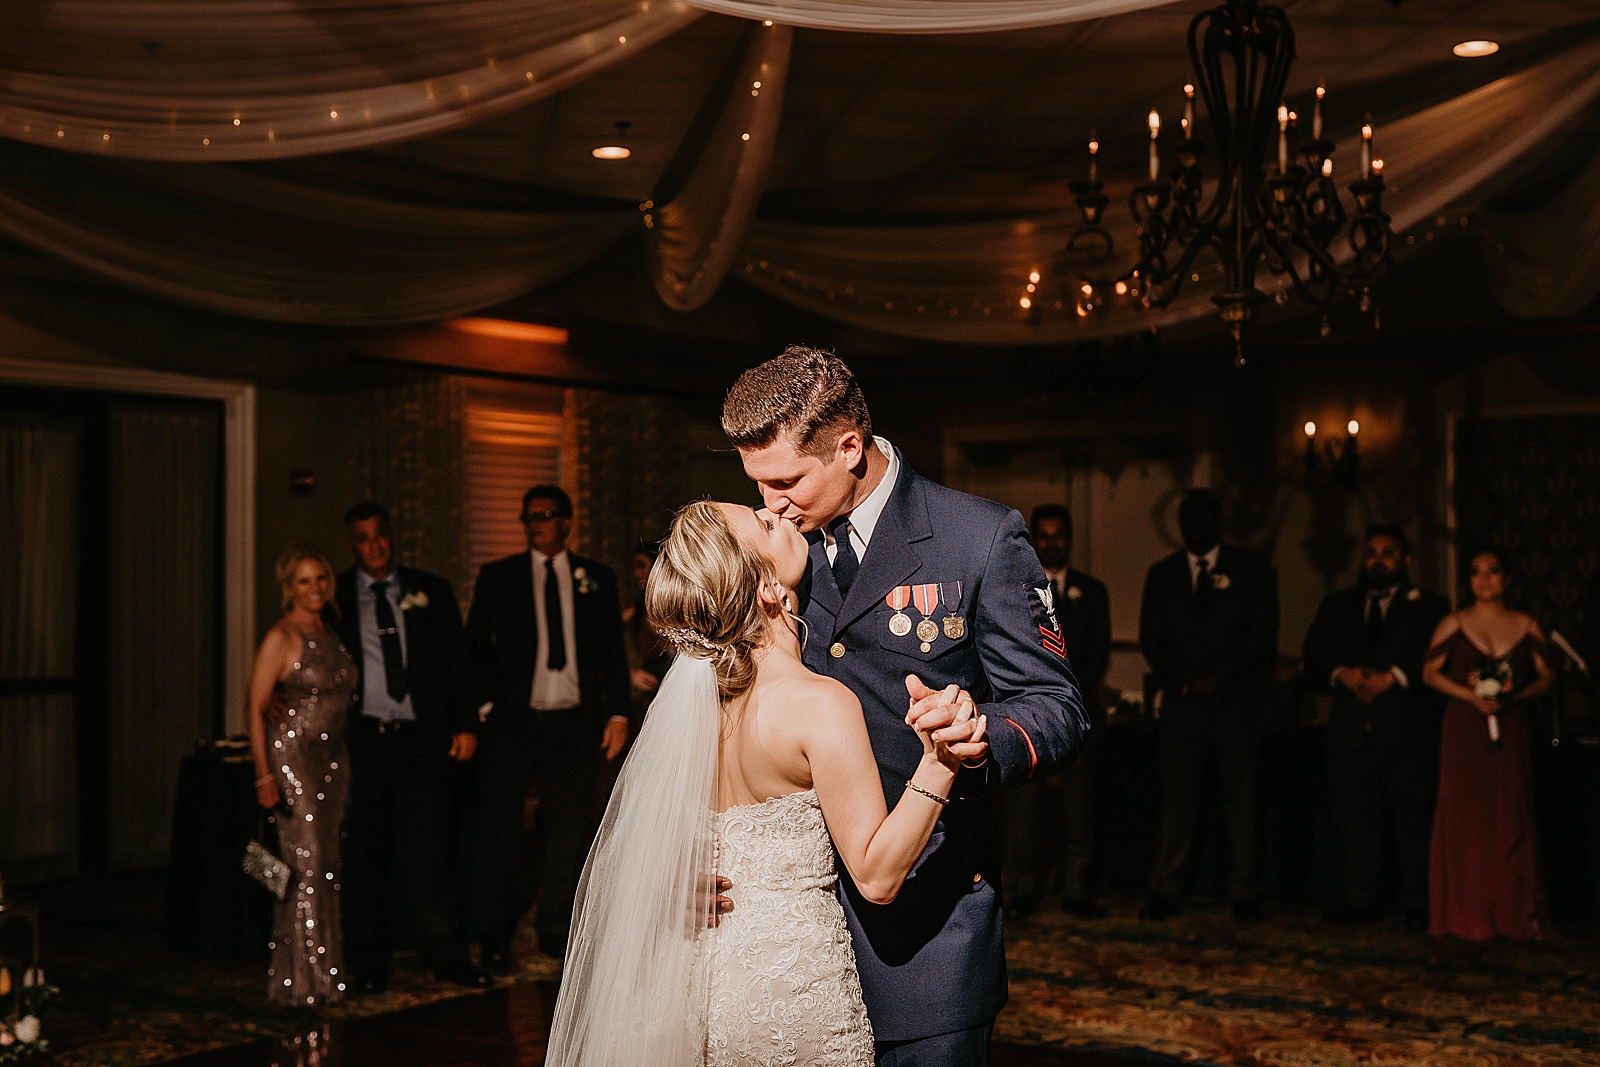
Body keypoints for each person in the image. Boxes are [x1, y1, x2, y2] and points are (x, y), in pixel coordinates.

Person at [721, 347, 1088, 1066]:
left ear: (850, 445)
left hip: (926, 937)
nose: (771, 504)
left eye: (787, 481)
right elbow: (716, 710)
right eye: (758, 485)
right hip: (789, 937)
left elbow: (1058, 708)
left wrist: (983, 732)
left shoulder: (979, 536)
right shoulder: (765, 544)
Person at [545, 499, 983, 1067]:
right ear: (767, 591)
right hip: (793, 990)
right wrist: (941, 760)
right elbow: (876, 876)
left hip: (700, 985)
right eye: (767, 523)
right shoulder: (818, 703)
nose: (779, 510)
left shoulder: (698, 712)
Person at [467, 485, 632, 967]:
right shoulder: (499, 577)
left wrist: (618, 712)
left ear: (566, 520)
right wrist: (483, 708)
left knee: (567, 832)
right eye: (530, 517)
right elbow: (474, 646)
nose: (537, 523)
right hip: (515, 725)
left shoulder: (595, 578)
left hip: (575, 726)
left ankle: (555, 928)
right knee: (502, 832)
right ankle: (494, 933)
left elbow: (610, 653)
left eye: (546, 515)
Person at [330, 502, 486, 991]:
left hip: (423, 740)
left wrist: (466, 725)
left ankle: (446, 955)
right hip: (365, 743)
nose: (373, 546)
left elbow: (458, 663)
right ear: (351, 544)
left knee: (432, 853)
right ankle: (369, 961)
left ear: (392, 537)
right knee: (366, 855)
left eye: (380, 536)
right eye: (362, 538)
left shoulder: (430, 590)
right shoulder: (333, 597)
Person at [1137, 489, 1278, 923]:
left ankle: (1244, 891)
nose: (1195, 524)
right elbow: (1151, 638)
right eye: (1188, 517)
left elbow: (1262, 636)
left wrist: (1221, 680)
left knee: (1241, 802)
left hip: (1235, 703)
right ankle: (1167, 888)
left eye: (1204, 516)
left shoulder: (1252, 569)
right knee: (1177, 801)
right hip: (1182, 706)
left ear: (1217, 521)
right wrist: (1185, 681)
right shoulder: (1162, 574)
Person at [1303, 524, 1449, 928]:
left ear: (1406, 559)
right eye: (1371, 552)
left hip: (1407, 732)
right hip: (1349, 734)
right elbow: (1313, 656)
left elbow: (1439, 658)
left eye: (1388, 552)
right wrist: (1342, 674)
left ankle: (1416, 904)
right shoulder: (1337, 604)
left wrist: (1395, 677)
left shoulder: (1432, 606)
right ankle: (1360, 899)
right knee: (1356, 823)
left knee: (1412, 824)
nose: (1378, 560)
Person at [1422, 547, 1557, 940]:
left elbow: (1548, 677)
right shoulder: (1454, 622)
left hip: (1508, 725)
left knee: (1507, 808)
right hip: (1464, 728)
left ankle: (1512, 910)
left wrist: (1517, 694)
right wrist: (1469, 696)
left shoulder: (1526, 624)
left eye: (1493, 571)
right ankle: (1465, 914)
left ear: (1507, 579)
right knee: (1467, 815)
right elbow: (1429, 674)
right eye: (1476, 572)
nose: (1485, 579)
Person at [247, 542, 355, 1007]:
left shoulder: (331, 632)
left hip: (334, 762)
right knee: (305, 867)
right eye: (305, 580)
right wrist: (263, 776)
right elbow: (254, 708)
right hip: (292, 760)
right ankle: (297, 984)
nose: (316, 588)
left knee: (326, 867)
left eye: (321, 579)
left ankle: (325, 976)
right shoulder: (282, 636)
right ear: (290, 587)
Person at [1005, 504, 1111, 918]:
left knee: (1079, 810)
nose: (1051, 542)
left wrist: (1063, 700)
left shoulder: (1093, 591)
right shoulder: (1015, 587)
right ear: (1034, 540)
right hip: (1025, 717)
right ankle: (1023, 889)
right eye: (1043, 535)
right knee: (1022, 813)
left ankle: (1077, 890)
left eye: (1058, 534)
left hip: (1080, 714)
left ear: (1069, 538)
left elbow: (1096, 656)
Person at [622, 538, 672, 713]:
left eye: (642, 566)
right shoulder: (632, 614)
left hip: (672, 693)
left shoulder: (678, 611)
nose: (637, 574)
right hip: (648, 696)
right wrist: (630, 674)